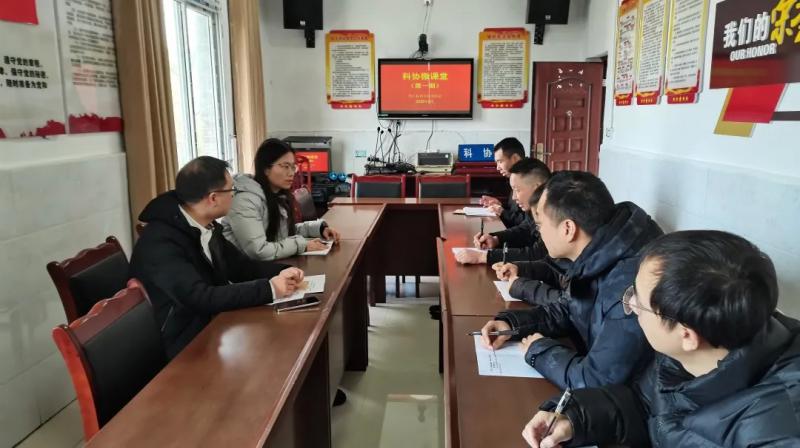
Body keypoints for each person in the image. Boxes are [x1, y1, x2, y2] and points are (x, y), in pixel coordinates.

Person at [523, 231, 800, 448]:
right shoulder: (692, 349)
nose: (630, 305)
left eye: (639, 301)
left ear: (687, 335)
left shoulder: (779, 431)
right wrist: (576, 418)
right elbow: (645, 405)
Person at [480, 171, 662, 389]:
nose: (539, 233)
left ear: (568, 229)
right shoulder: (601, 251)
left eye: (540, 226)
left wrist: (539, 351)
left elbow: (597, 381)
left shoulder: (633, 284)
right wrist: (511, 325)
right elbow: (571, 308)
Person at [130, 156, 304, 358]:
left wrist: (284, 271)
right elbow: (199, 297)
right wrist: (270, 289)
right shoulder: (161, 242)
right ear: (213, 198)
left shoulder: (205, 225)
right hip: (181, 344)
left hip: (210, 324)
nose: (234, 195)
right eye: (231, 190)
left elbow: (240, 268)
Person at [221, 138, 340, 261]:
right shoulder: (245, 200)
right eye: (285, 166)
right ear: (266, 169)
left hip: (262, 266)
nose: (291, 173)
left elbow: (284, 233)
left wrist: (319, 229)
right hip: (240, 271)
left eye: (293, 167)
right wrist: (302, 245)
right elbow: (258, 250)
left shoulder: (275, 195)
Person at [457, 158, 549, 265]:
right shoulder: (536, 207)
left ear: (537, 187)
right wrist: (496, 239)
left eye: (517, 190)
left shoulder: (553, 210)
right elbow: (525, 230)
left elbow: (539, 254)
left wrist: (485, 257)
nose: (514, 197)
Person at [480, 137, 527, 227]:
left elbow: (525, 222)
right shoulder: (515, 176)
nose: (498, 168)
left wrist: (502, 211)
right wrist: (499, 205)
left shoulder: (530, 178)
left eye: (500, 162)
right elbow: (515, 211)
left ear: (515, 158)